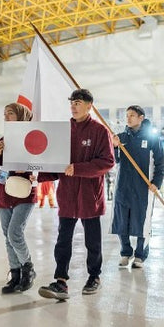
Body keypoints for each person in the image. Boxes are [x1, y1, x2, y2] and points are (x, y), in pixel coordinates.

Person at [38, 89, 114, 300]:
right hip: (68, 194)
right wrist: (37, 168)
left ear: (90, 105)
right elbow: (52, 159)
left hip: (90, 195)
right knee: (63, 240)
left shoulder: (100, 131)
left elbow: (107, 161)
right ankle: (60, 281)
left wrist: (78, 168)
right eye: (71, 102)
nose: (73, 105)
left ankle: (94, 276)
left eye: (78, 102)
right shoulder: (62, 131)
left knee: (93, 241)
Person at [0, 102, 38, 294]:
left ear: (21, 116)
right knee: (7, 237)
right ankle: (15, 274)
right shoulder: (2, 140)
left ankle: (28, 269)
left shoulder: (32, 139)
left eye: (10, 113)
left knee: (14, 233)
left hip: (24, 194)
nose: (6, 117)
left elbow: (41, 165)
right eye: (4, 113)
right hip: (4, 193)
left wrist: (29, 168)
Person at [110, 105, 164, 268]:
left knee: (143, 220)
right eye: (127, 115)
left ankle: (140, 255)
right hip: (123, 186)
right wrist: (114, 147)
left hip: (144, 187)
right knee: (121, 220)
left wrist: (156, 183)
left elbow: (160, 164)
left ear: (141, 118)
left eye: (132, 115)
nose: (128, 118)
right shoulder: (121, 138)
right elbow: (116, 161)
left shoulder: (152, 139)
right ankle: (125, 252)